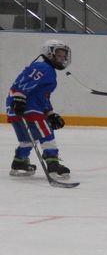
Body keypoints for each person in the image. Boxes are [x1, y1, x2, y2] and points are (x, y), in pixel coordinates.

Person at [5, 38, 73, 180]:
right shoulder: (43, 67)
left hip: (17, 106)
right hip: (28, 107)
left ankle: (20, 162)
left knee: (27, 139)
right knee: (46, 133)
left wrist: (50, 113)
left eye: (63, 56)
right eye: (58, 55)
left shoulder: (48, 70)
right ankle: (53, 164)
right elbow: (23, 82)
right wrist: (19, 98)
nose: (62, 59)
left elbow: (43, 97)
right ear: (49, 54)